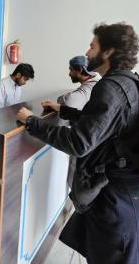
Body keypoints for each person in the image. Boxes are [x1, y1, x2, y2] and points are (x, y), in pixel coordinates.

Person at [16, 23, 139, 264]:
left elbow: (79, 142)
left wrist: (31, 122)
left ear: (109, 51)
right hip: (130, 196)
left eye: (93, 46)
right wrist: (65, 111)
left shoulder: (110, 87)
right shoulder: (130, 83)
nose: (88, 51)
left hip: (116, 202)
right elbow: (105, 124)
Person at [58, 55, 101, 187]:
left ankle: (72, 206)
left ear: (81, 71)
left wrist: (61, 100)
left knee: (75, 182)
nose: (69, 73)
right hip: (93, 144)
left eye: (71, 69)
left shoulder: (89, 88)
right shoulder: (97, 80)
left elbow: (69, 101)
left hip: (85, 145)